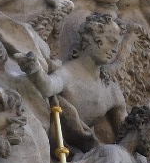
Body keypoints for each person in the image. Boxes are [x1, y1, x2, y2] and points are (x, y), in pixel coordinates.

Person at [19, 12, 127, 149]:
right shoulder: (68, 73)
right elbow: (48, 87)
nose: (114, 50)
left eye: (117, 45)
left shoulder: (112, 91)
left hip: (90, 151)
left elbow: (127, 135)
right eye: (111, 41)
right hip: (60, 147)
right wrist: (35, 70)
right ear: (90, 37)